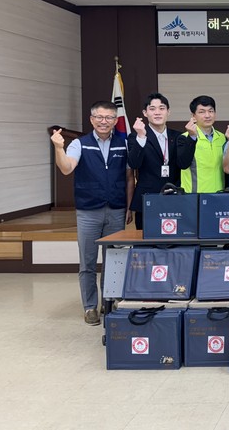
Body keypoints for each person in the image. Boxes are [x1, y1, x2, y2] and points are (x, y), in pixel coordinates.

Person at [50, 101, 133, 326]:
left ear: (115, 120)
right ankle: (90, 307)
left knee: (113, 260)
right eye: (99, 117)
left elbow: (129, 178)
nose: (104, 121)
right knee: (87, 263)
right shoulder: (80, 144)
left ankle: (109, 302)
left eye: (109, 117)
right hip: (88, 211)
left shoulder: (124, 143)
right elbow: (66, 168)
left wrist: (128, 207)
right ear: (91, 119)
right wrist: (59, 148)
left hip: (116, 210)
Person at [127, 93, 181, 230]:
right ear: (145, 113)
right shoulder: (135, 136)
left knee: (173, 239)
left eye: (162, 108)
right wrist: (141, 137)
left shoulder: (178, 136)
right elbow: (134, 164)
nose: (157, 112)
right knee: (146, 240)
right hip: (147, 199)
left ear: (168, 112)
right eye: (152, 109)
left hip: (174, 199)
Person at [177, 95, 227, 193]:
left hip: (219, 195)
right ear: (193, 116)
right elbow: (182, 164)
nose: (207, 115)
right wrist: (192, 137)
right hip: (194, 196)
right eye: (202, 112)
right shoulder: (184, 138)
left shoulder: (222, 138)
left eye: (211, 111)